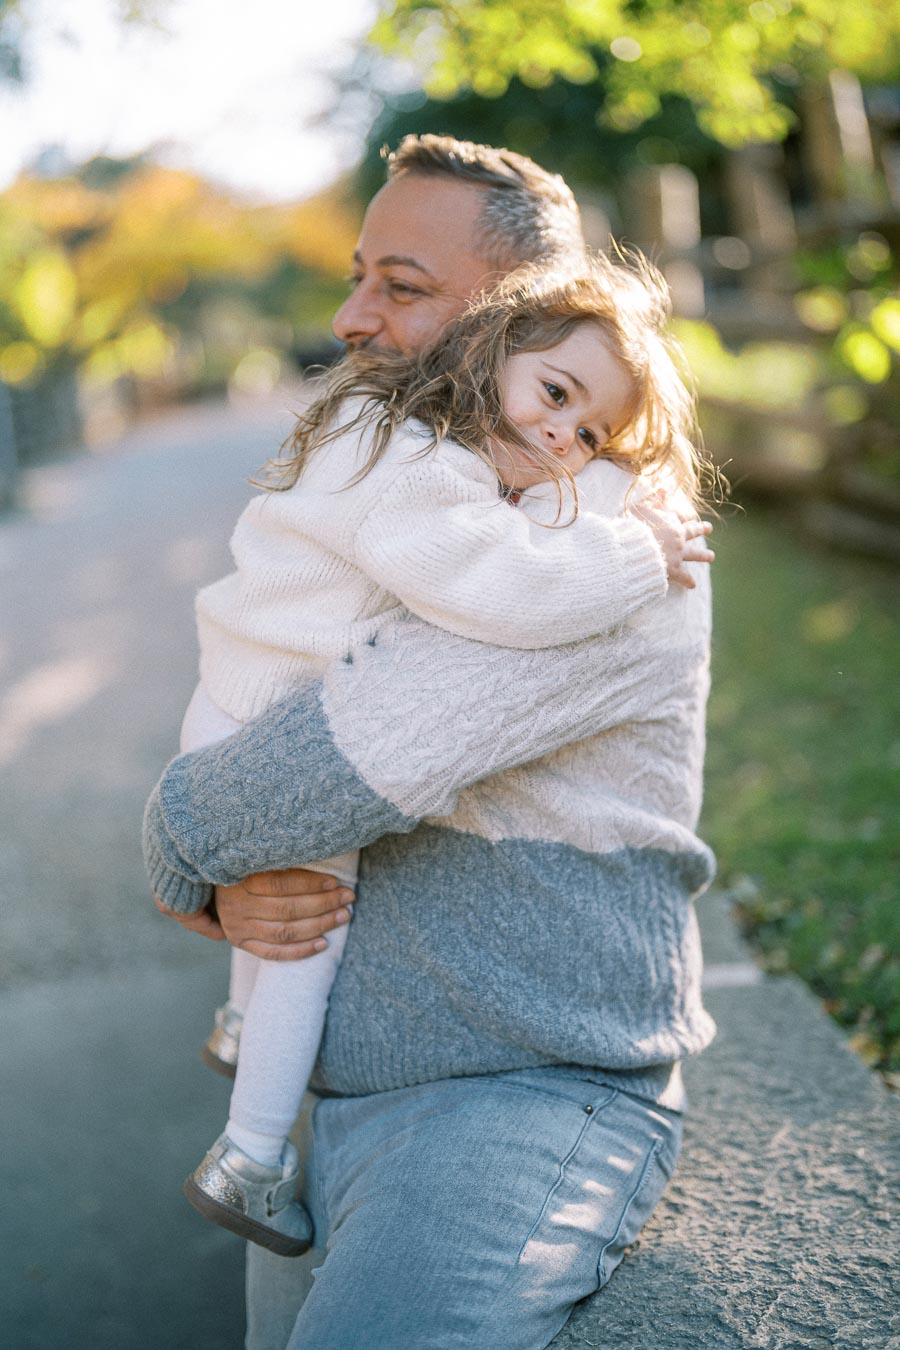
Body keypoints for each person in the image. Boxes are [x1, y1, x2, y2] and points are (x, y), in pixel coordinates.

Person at [145, 135, 718, 1349]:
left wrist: (184, 839)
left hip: (510, 1104)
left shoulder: (610, 545)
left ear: (525, 318)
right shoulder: (446, 486)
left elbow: (318, 772)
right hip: (335, 1100)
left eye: (402, 287)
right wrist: (237, 875)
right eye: (359, 275)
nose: (353, 317)